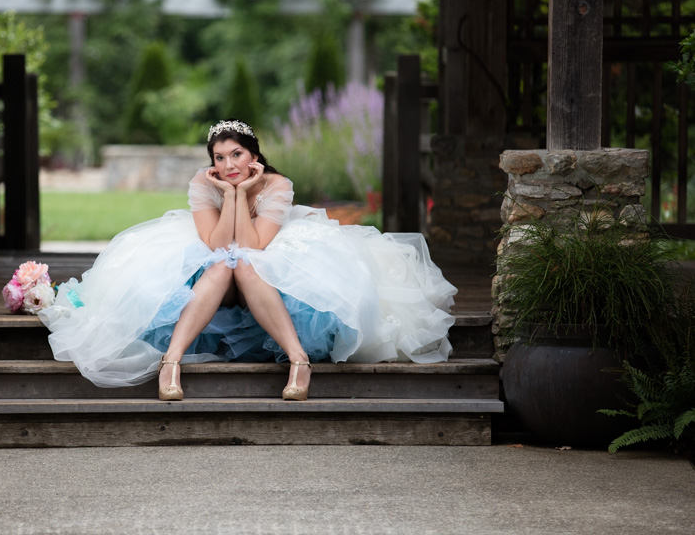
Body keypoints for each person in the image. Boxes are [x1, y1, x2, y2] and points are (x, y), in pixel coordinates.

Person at [39, 119, 457, 402]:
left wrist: (243, 194)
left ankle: (299, 362)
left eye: (236, 155)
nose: (227, 165)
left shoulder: (277, 185)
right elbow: (216, 245)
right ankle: (171, 365)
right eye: (219, 158)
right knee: (226, 263)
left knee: (247, 263)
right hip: (219, 263)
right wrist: (231, 195)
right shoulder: (206, 184)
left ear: (253, 154)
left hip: (266, 257)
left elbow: (255, 243)